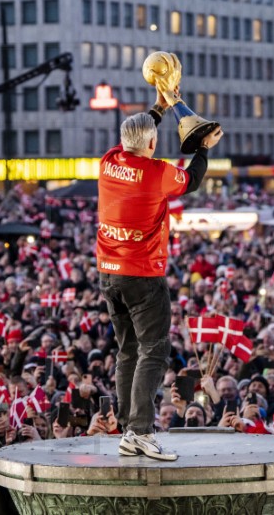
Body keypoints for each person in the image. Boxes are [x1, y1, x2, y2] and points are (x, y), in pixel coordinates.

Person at [97, 91, 223, 461]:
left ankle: (126, 427)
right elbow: (193, 180)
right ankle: (138, 431)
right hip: (143, 276)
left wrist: (159, 108)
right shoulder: (156, 173)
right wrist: (203, 147)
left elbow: (135, 137)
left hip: (109, 273)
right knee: (155, 350)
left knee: (127, 350)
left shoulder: (108, 163)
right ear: (152, 143)